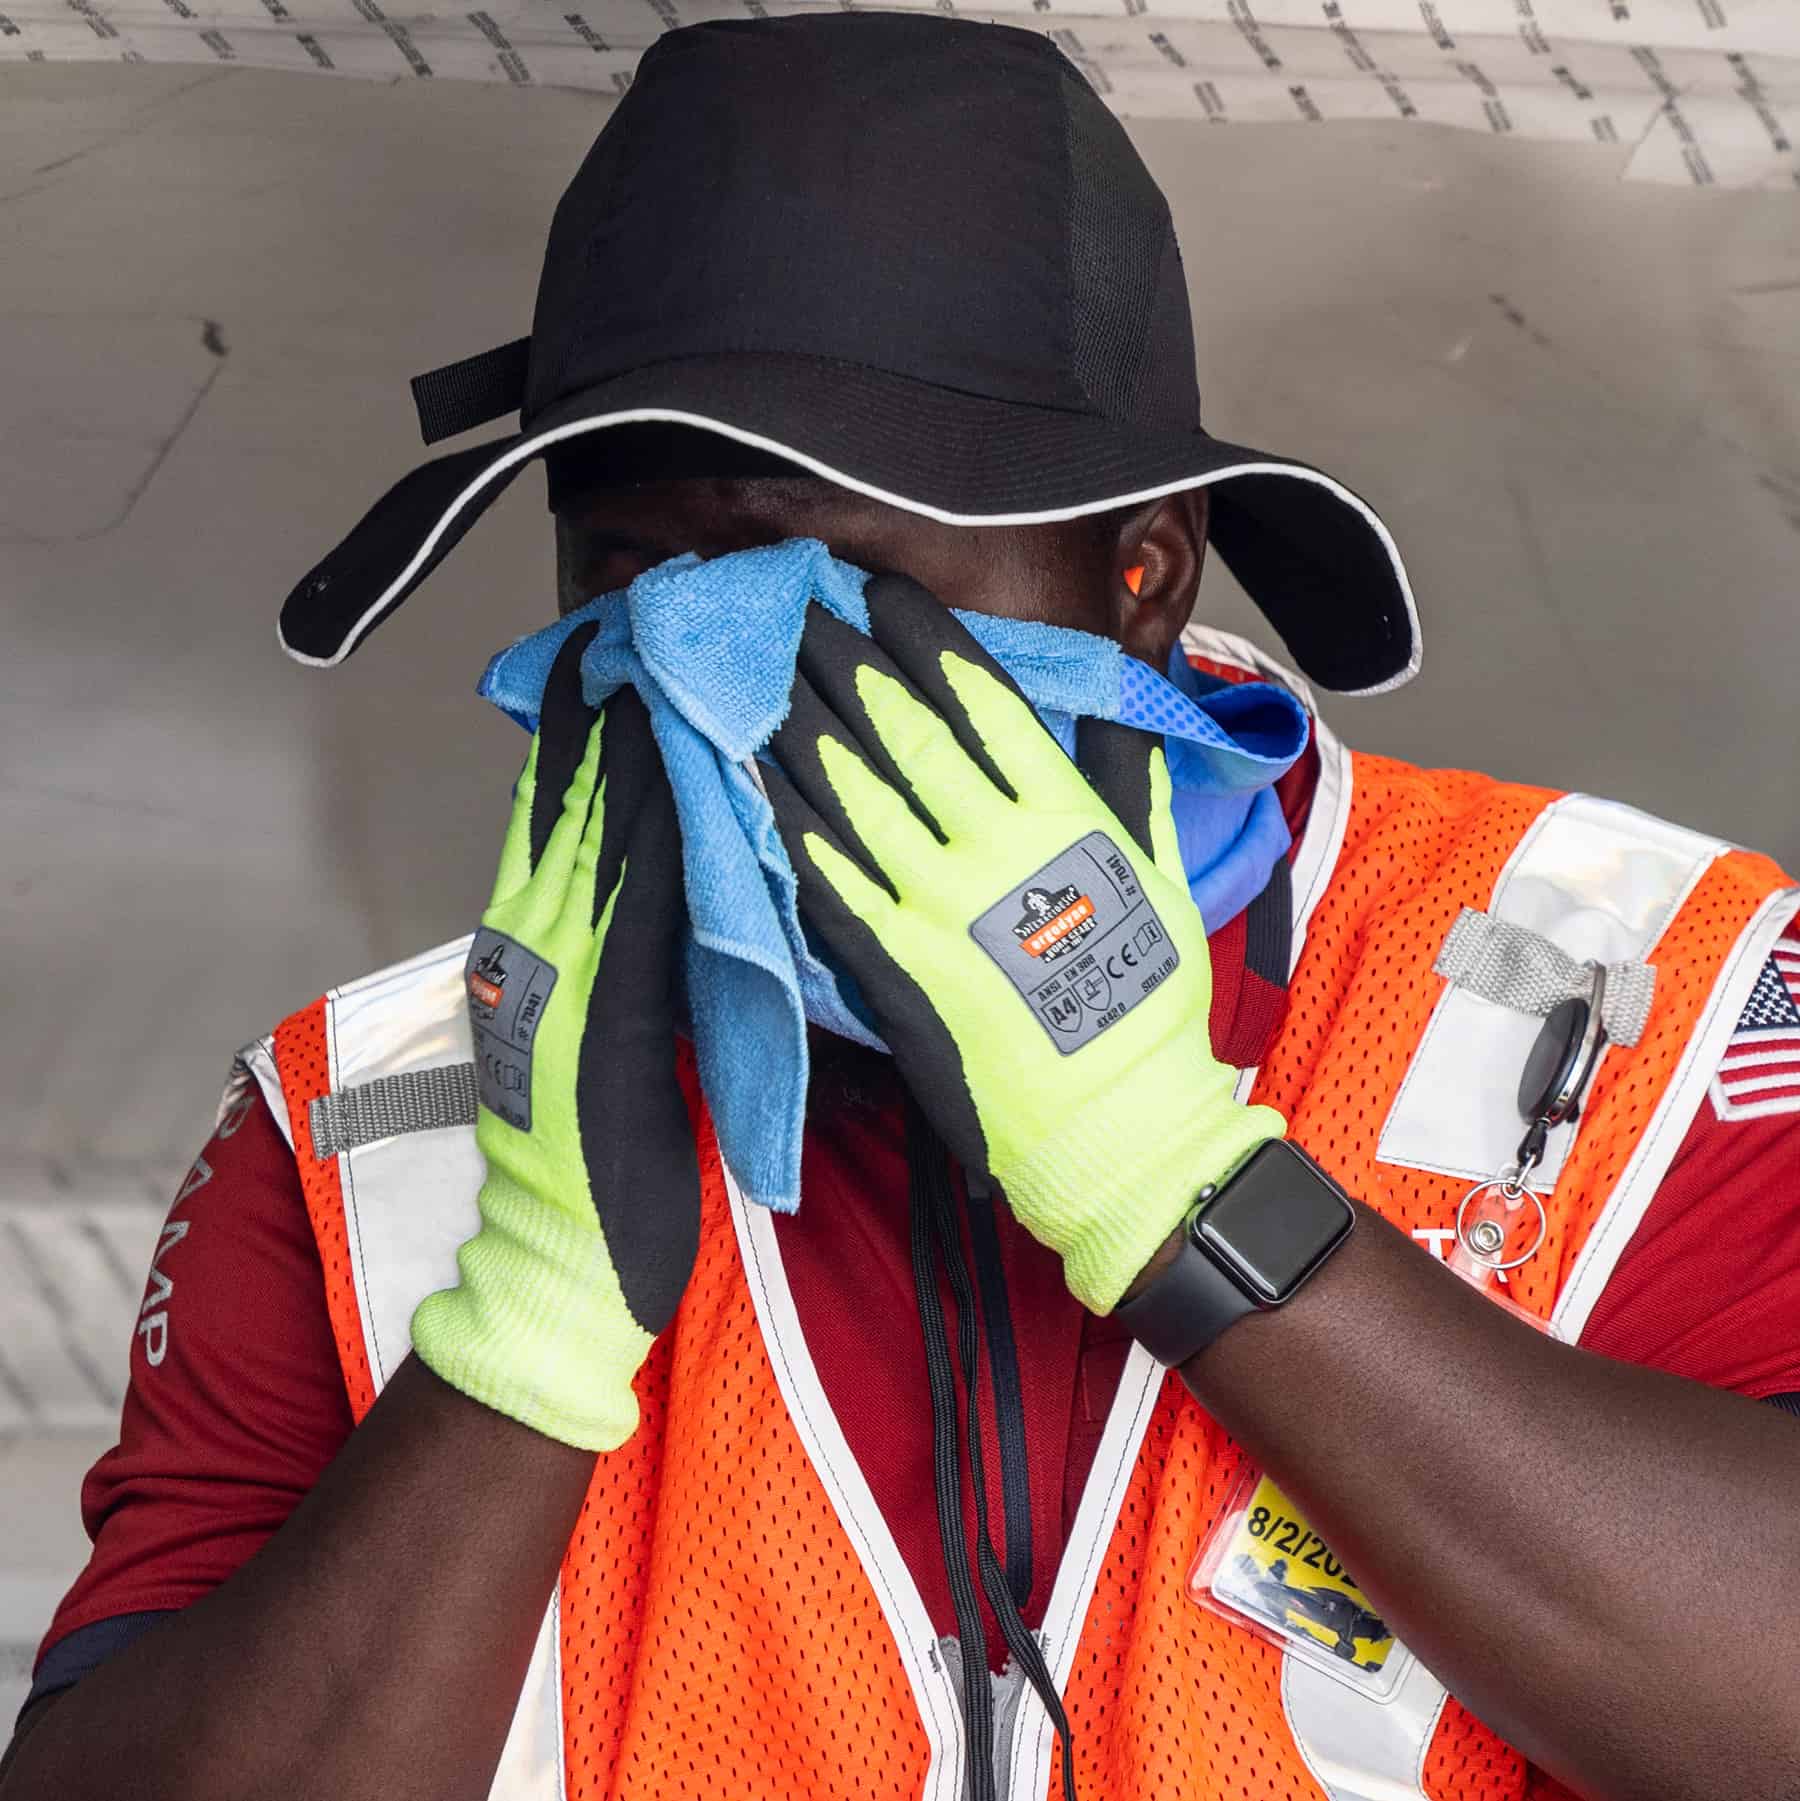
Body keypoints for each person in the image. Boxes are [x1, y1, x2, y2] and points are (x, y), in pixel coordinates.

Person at [6, 15, 1799, 1801]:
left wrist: (1182, 1188)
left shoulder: (1643, 995)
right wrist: (527, 1323)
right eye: (628, 568)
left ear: (1142, 572)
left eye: (839, 576)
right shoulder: (347, 1138)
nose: (710, 668)